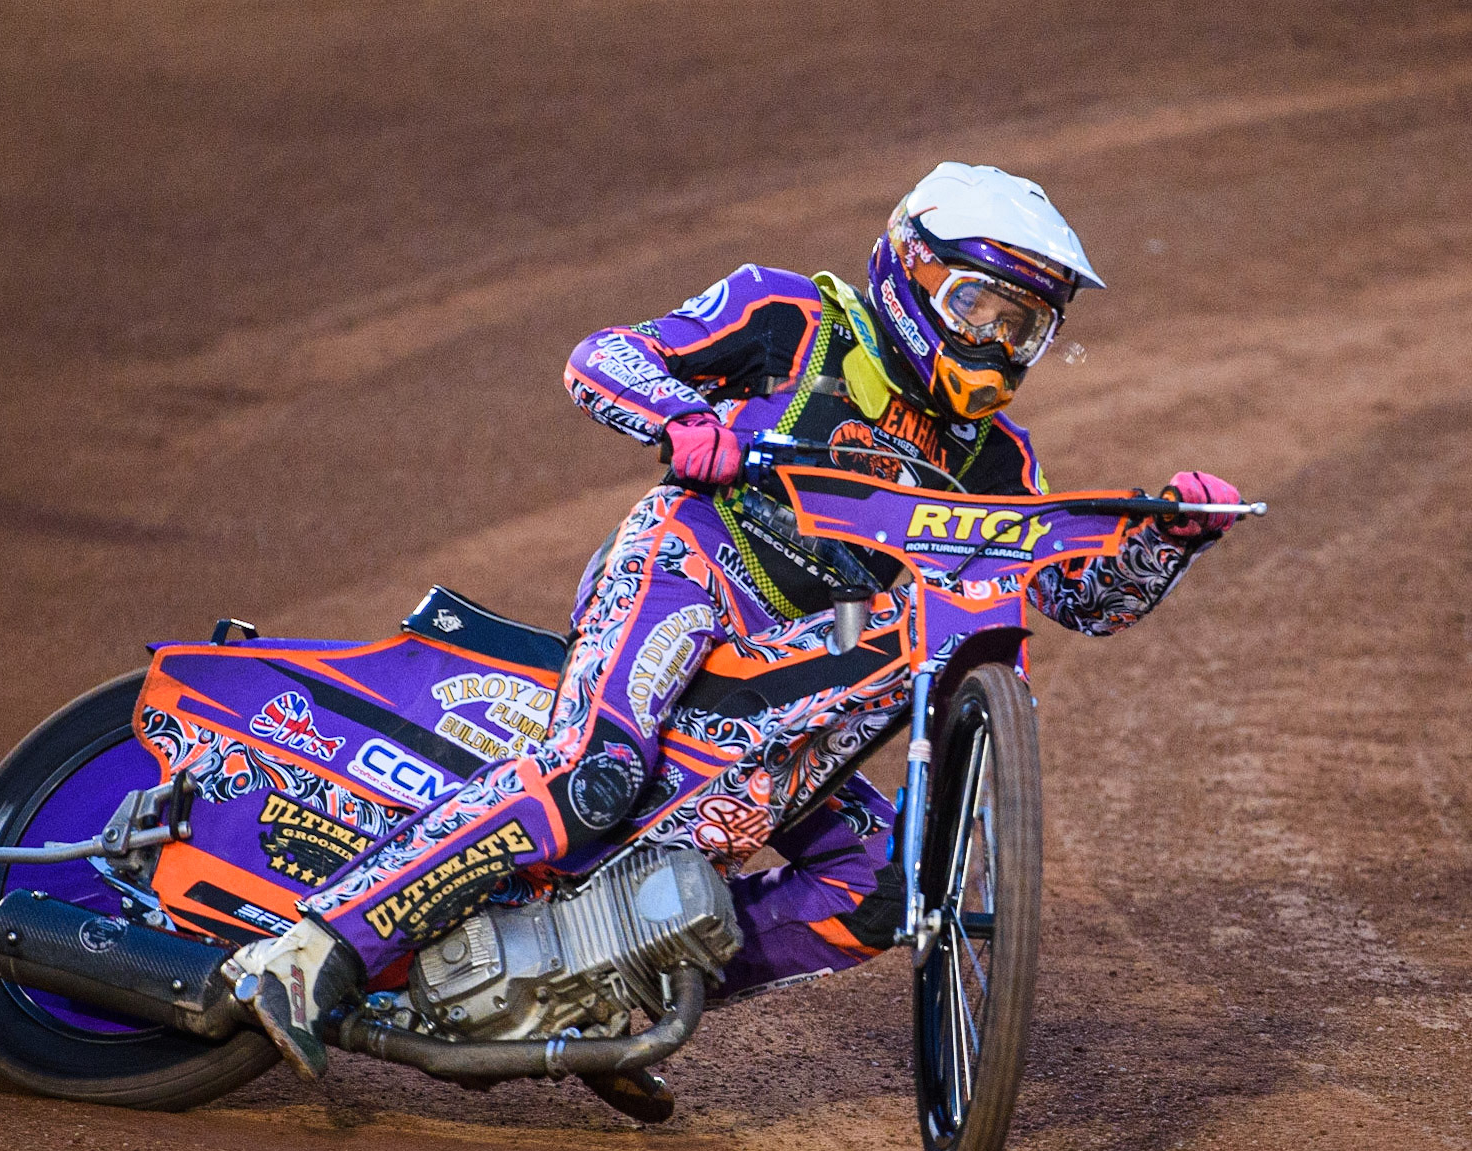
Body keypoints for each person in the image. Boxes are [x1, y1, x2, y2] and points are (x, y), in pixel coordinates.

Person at [227, 161, 1241, 1086]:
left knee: (881, 884)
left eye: (1024, 329)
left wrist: (1166, 539)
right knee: (597, 774)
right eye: (977, 306)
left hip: (800, 674)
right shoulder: (793, 317)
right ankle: (312, 949)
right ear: (910, 269)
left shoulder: (998, 462)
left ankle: (617, 991)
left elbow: (1073, 595)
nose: (994, 345)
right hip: (691, 571)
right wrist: (682, 420)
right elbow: (605, 356)